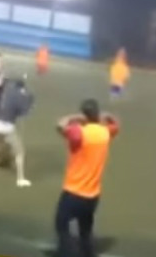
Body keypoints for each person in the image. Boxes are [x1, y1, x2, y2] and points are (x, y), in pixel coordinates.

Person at [54, 99, 119, 257]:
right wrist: (106, 116)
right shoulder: (105, 133)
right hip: (93, 195)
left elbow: (60, 125)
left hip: (73, 192)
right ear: (97, 114)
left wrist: (75, 117)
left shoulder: (79, 133)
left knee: (61, 225)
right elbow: (115, 124)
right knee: (85, 230)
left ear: (84, 115)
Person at [0, 76, 35, 187]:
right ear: (22, 88)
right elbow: (24, 112)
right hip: (7, 127)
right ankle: (20, 179)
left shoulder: (8, 91)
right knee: (20, 152)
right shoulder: (20, 97)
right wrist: (28, 98)